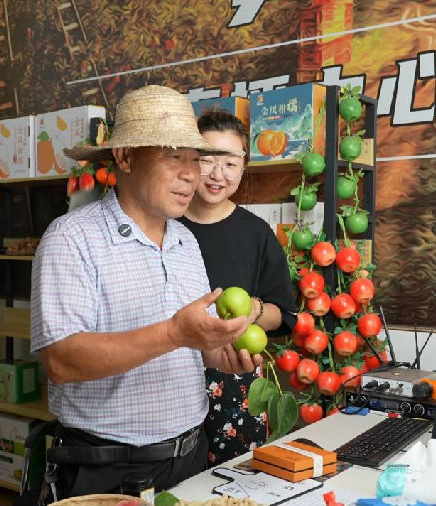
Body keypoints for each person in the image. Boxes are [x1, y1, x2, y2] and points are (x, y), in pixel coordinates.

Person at [29, 85, 263, 501]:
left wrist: (216, 353)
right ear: (125, 157)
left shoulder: (186, 242)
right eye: (175, 157)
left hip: (191, 456)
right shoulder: (72, 239)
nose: (192, 173)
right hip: (106, 469)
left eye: (196, 159)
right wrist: (175, 332)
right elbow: (62, 361)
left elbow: (189, 346)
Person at [178, 110, 297, 465]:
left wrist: (251, 311)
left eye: (230, 162)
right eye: (207, 159)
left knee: (233, 491)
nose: (218, 174)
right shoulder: (163, 226)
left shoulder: (256, 233)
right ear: (188, 160)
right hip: (167, 383)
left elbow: (285, 315)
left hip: (236, 382)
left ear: (243, 166)